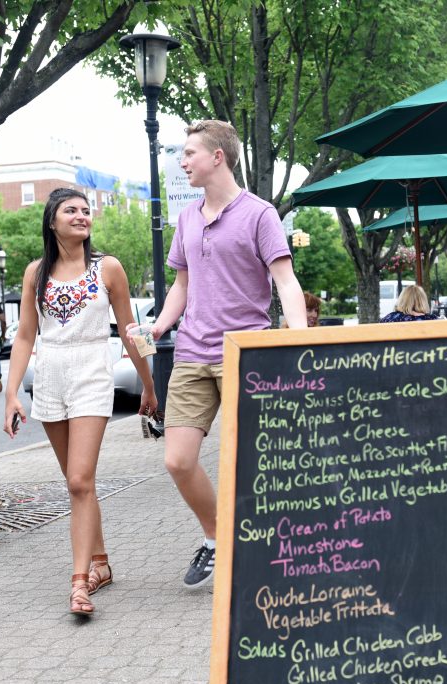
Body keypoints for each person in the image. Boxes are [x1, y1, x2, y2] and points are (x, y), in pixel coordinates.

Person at [141, 120, 306, 590]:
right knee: (177, 459)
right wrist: (158, 324)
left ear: (218, 157)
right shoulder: (188, 217)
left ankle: (276, 547)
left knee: (254, 462)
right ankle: (217, 539)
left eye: (190, 152)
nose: (183, 160)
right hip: (193, 351)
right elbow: (182, 284)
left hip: (245, 352)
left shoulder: (259, 214)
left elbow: (285, 281)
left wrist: (299, 336)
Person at [4, 188, 158, 616]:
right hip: (51, 378)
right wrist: (12, 393)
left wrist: (148, 383)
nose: (81, 216)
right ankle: (102, 563)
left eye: (86, 211)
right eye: (71, 210)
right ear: (52, 221)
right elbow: (24, 336)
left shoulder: (108, 268)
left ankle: (79, 584)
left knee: (78, 480)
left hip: (92, 372)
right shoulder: (36, 273)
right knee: (80, 486)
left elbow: (132, 329)